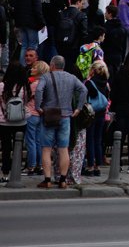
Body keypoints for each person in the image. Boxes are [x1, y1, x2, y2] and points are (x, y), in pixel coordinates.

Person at [35, 55, 87, 189]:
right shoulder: (71, 77)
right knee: (63, 149)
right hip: (66, 116)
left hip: (49, 116)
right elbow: (83, 89)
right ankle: (63, 179)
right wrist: (78, 108)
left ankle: (47, 179)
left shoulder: (46, 77)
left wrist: (38, 106)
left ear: (52, 65)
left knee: (46, 149)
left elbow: (39, 89)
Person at [0, 63, 30, 183]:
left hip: (4, 121)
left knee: (6, 148)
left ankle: (5, 173)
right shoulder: (25, 87)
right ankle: (16, 171)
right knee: (18, 147)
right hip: (21, 121)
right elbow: (27, 101)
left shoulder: (2, 86)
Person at [82, 61, 109, 177]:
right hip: (102, 115)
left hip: (91, 114)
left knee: (90, 140)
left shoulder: (90, 83)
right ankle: (98, 166)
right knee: (98, 140)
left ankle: (90, 166)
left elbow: (86, 97)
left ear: (92, 70)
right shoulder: (106, 84)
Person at [24, 60, 50, 176]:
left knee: (31, 141)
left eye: (34, 68)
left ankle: (31, 166)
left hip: (31, 114)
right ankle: (39, 165)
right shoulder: (45, 84)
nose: (31, 69)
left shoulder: (34, 84)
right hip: (41, 115)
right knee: (39, 141)